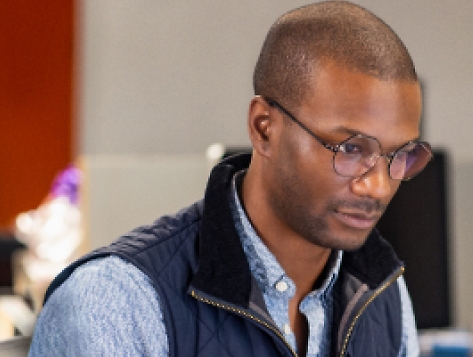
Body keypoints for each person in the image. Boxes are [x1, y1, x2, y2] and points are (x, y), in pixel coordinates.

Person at [28, 1, 432, 356]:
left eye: (400, 155)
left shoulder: (383, 293)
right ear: (263, 128)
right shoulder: (117, 302)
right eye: (349, 148)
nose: (378, 186)